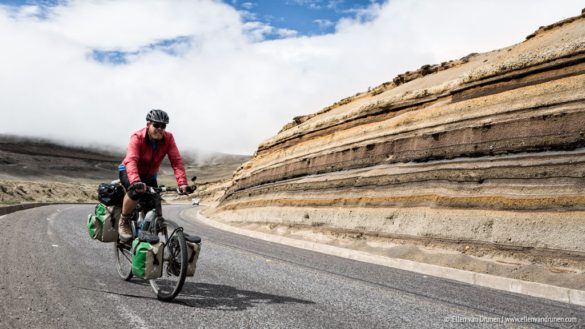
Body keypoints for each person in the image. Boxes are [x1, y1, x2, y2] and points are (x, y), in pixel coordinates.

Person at [118, 109, 188, 240]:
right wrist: (135, 181)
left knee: (154, 204)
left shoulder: (168, 138)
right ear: (148, 124)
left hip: (150, 176)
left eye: (163, 126)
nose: (160, 129)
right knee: (135, 192)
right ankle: (124, 220)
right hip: (128, 171)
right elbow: (131, 160)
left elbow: (177, 161)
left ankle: (147, 234)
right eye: (156, 125)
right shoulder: (137, 137)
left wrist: (182, 183)